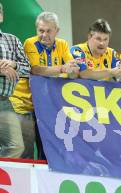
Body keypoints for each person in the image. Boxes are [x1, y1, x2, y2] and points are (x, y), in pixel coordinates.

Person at [10, 11, 79, 159]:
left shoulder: (63, 44)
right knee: (25, 153)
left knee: (48, 151)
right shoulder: (30, 43)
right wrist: (62, 68)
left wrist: (73, 69)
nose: (44, 35)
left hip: (48, 106)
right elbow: (36, 70)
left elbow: (72, 68)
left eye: (49, 31)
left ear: (57, 31)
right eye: (41, 30)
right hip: (24, 105)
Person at [0, 3, 31, 158]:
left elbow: (28, 69)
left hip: (4, 101)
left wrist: (13, 65)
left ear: (1, 16)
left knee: (16, 146)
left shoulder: (12, 40)